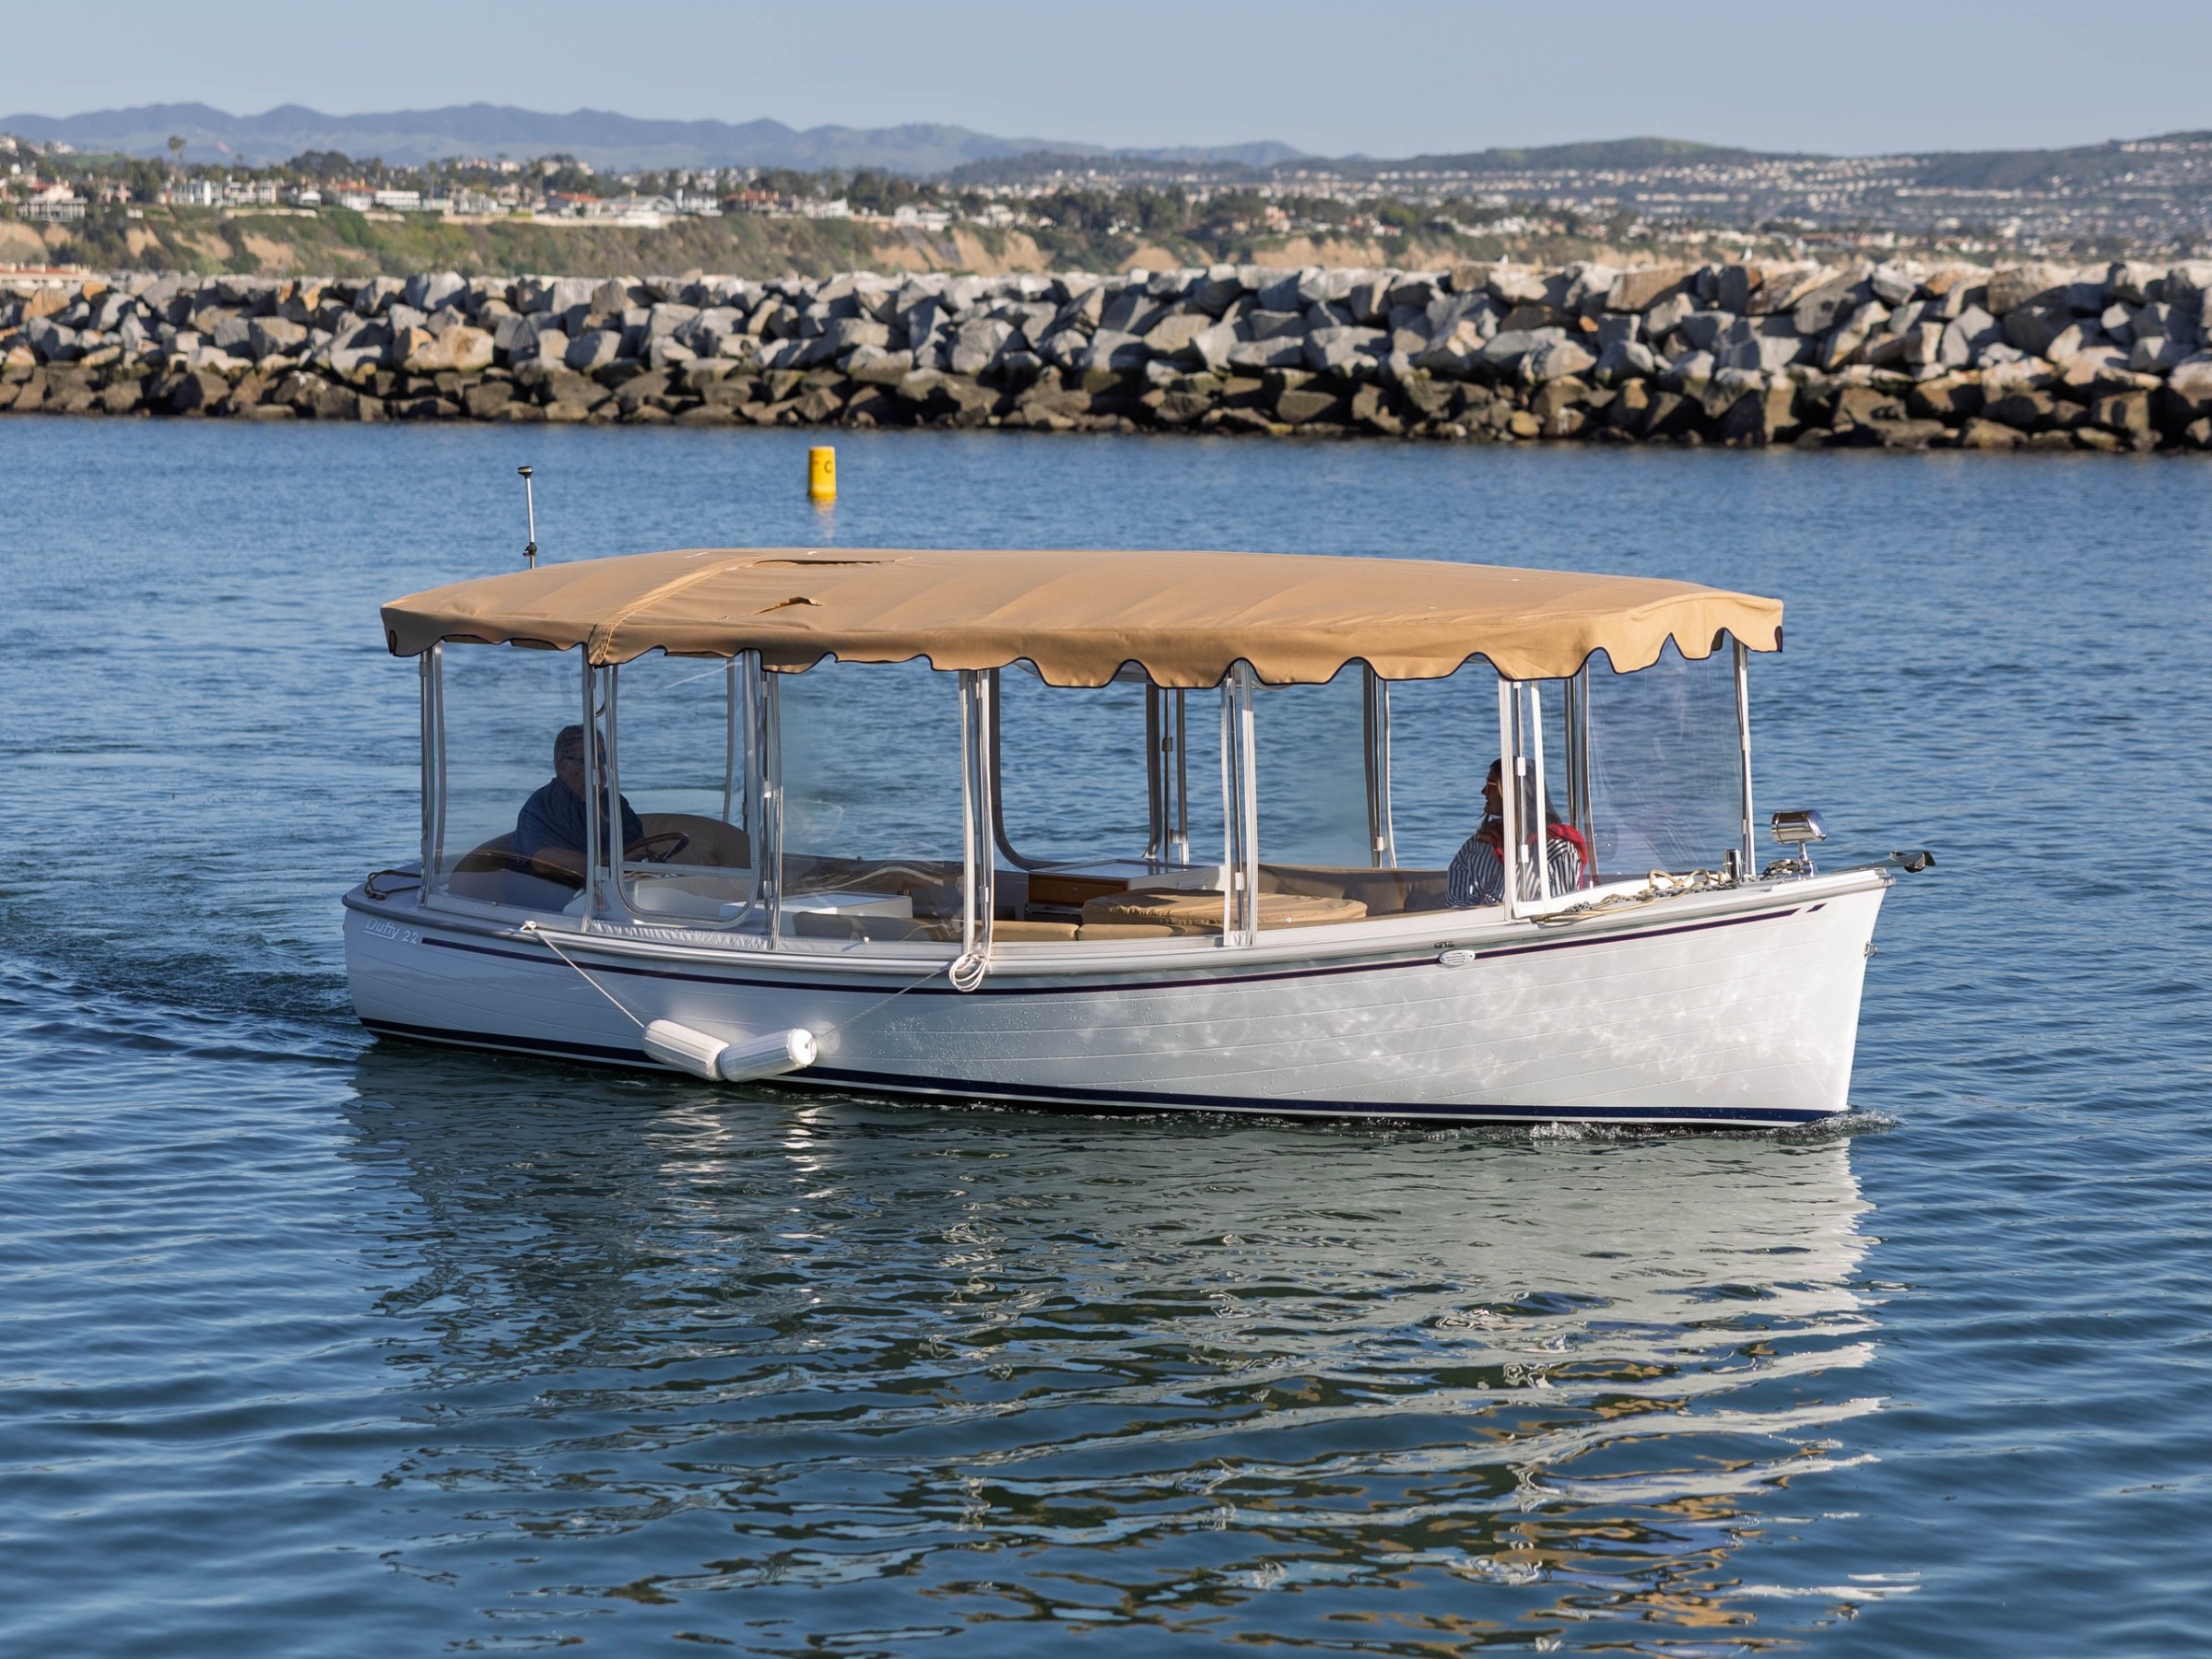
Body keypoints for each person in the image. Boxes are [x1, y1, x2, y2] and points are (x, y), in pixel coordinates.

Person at [513, 724, 651, 881]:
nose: (599, 769)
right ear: (561, 766)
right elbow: (543, 860)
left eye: (602, 759)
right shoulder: (541, 806)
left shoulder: (614, 802)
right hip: (552, 897)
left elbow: (639, 848)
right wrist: (607, 863)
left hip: (615, 891)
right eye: (585, 761)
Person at [1446, 759, 1590, 907]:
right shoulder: (1477, 845)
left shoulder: (1557, 848)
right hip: (1479, 927)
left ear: (1512, 791)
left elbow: (1561, 906)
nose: (1483, 791)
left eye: (1490, 785)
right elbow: (1456, 905)